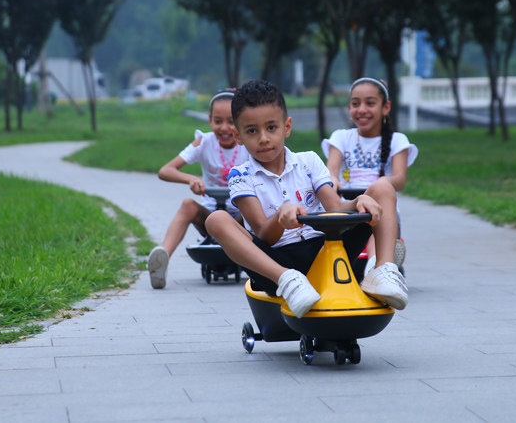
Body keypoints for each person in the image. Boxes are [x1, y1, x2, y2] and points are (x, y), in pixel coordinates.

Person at [205, 80, 407, 318]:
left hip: (326, 251)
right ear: (238, 136)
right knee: (216, 219)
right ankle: (288, 281)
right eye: (252, 131)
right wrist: (280, 217)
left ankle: (383, 270)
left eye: (271, 127)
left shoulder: (308, 161)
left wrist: (358, 202)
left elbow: (335, 208)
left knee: (382, 188)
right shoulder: (241, 175)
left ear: (286, 127)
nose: (263, 138)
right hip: (275, 262)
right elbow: (263, 234)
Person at [147, 88, 249, 289]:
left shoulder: (247, 143)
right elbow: (165, 171)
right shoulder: (204, 142)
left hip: (241, 216)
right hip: (210, 218)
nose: (224, 128)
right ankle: (162, 257)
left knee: (258, 205)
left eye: (231, 121)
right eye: (218, 121)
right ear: (210, 120)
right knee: (188, 205)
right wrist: (190, 179)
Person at [322, 77, 418, 273]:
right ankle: (375, 267)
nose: (362, 110)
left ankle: (377, 266)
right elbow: (331, 171)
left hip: (381, 206)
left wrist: (381, 184)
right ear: (349, 108)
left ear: (385, 107)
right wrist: (333, 181)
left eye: (370, 103)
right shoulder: (341, 137)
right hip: (349, 205)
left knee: (377, 221)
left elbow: (399, 180)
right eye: (356, 104)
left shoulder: (397, 140)